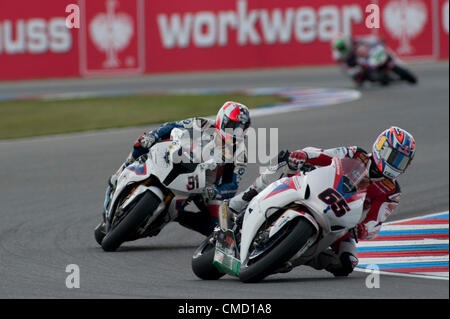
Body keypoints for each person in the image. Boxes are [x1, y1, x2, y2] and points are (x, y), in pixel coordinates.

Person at [228, 126, 416, 276]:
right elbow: (325, 154)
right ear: (381, 149)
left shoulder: (391, 192)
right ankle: (245, 199)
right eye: (394, 157)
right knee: (286, 163)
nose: (396, 164)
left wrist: (363, 229)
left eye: (402, 161)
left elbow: (376, 220)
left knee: (346, 263)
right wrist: (305, 155)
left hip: (343, 220)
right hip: (317, 190)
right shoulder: (356, 154)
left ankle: (292, 255)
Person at [102, 101, 251, 236]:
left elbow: (233, 184)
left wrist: (215, 191)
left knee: (214, 225)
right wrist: (153, 136)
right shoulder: (203, 124)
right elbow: (172, 126)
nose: (236, 132)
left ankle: (176, 215)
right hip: (180, 160)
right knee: (141, 142)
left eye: (241, 129)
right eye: (233, 126)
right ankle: (123, 168)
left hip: (204, 185)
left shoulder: (240, 153)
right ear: (222, 120)